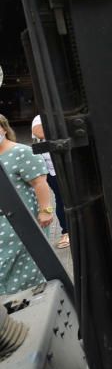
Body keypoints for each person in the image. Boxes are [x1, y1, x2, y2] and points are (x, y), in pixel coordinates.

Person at [0, 113, 54, 294]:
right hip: (3, 226)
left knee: (24, 264)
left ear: (3, 128)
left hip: (20, 220)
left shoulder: (20, 152)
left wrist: (45, 210)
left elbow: (40, 183)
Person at [31, 115, 69, 249]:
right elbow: (38, 132)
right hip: (53, 168)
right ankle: (66, 231)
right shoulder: (40, 118)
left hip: (72, 164)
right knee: (62, 199)